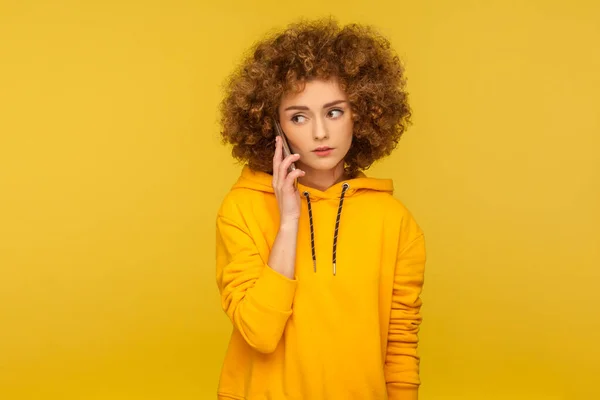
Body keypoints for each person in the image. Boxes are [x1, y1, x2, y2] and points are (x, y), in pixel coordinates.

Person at [215, 18, 426, 400]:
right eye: (298, 116)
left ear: (361, 113)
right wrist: (289, 221)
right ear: (273, 127)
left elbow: (399, 348)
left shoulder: (394, 221)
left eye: (333, 112)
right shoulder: (242, 207)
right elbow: (259, 334)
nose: (319, 134)